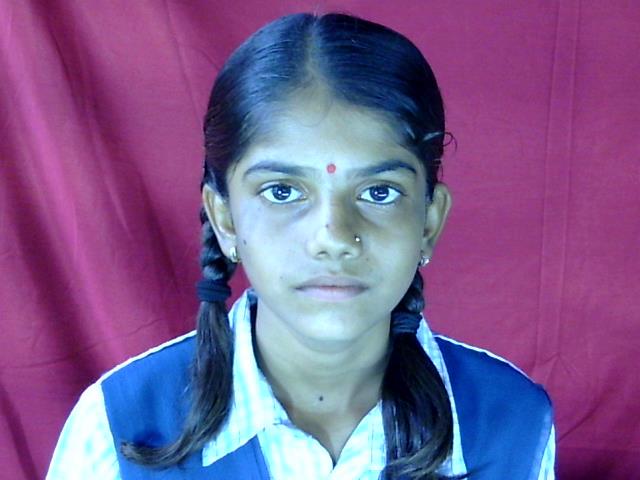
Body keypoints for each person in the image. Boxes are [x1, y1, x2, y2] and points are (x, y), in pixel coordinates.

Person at [46, 12, 555, 480]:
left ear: (429, 221)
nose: (332, 238)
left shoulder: (512, 424)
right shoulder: (117, 428)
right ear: (225, 218)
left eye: (379, 193)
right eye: (283, 192)